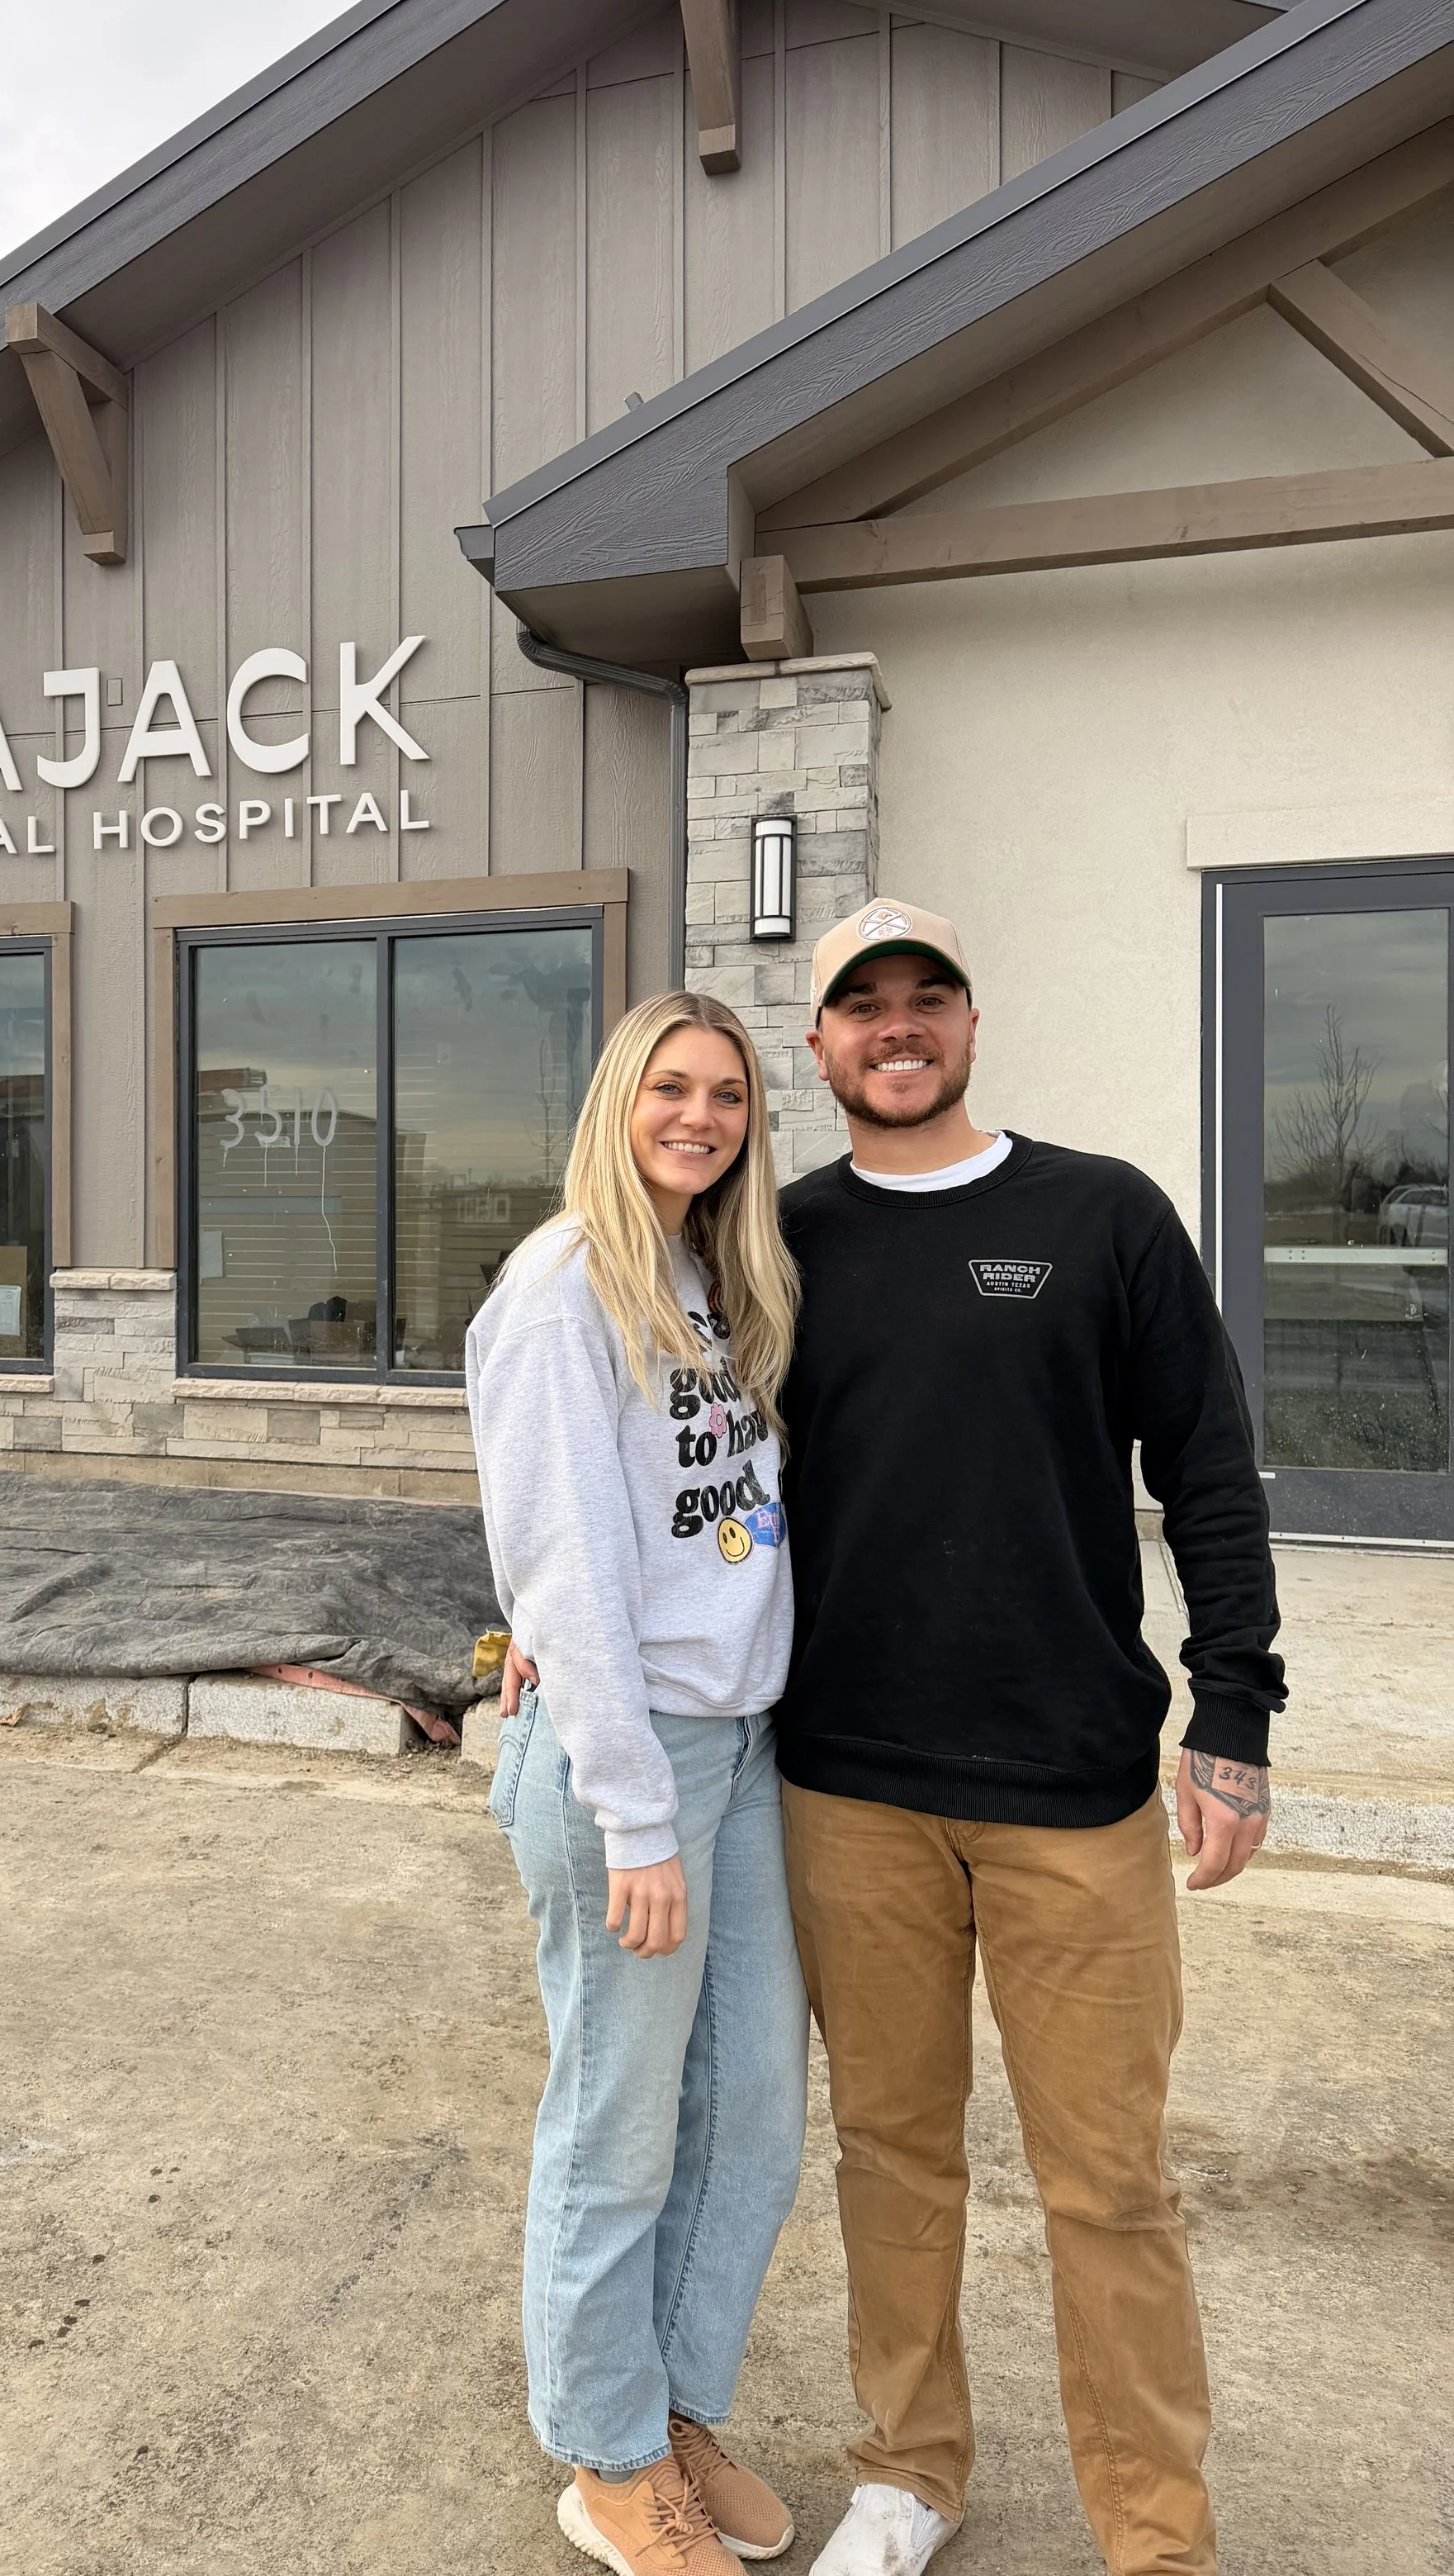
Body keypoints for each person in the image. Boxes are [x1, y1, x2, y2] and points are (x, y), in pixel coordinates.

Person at [778, 898, 1285, 2576]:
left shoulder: (1099, 1214)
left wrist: (1232, 1706)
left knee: (1108, 2184)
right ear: (819, 1043)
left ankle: (1152, 2532)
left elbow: (1204, 1466)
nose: (896, 1026)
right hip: (846, 1785)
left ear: (969, 1026)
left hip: (1070, 1790)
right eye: (862, 1005)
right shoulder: (772, 1243)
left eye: (927, 997)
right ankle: (905, 2472)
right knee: (890, 2156)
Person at [469, 990, 812, 2576]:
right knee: (619, 2126)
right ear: (617, 1102)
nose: (699, 1116)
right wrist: (633, 1804)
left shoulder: (709, 1274)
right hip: (639, 1770)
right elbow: (567, 1570)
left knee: (748, 2108)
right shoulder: (562, 1293)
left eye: (727, 1094)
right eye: (669, 1088)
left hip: (735, 1748)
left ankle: (672, 2409)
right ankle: (604, 2461)